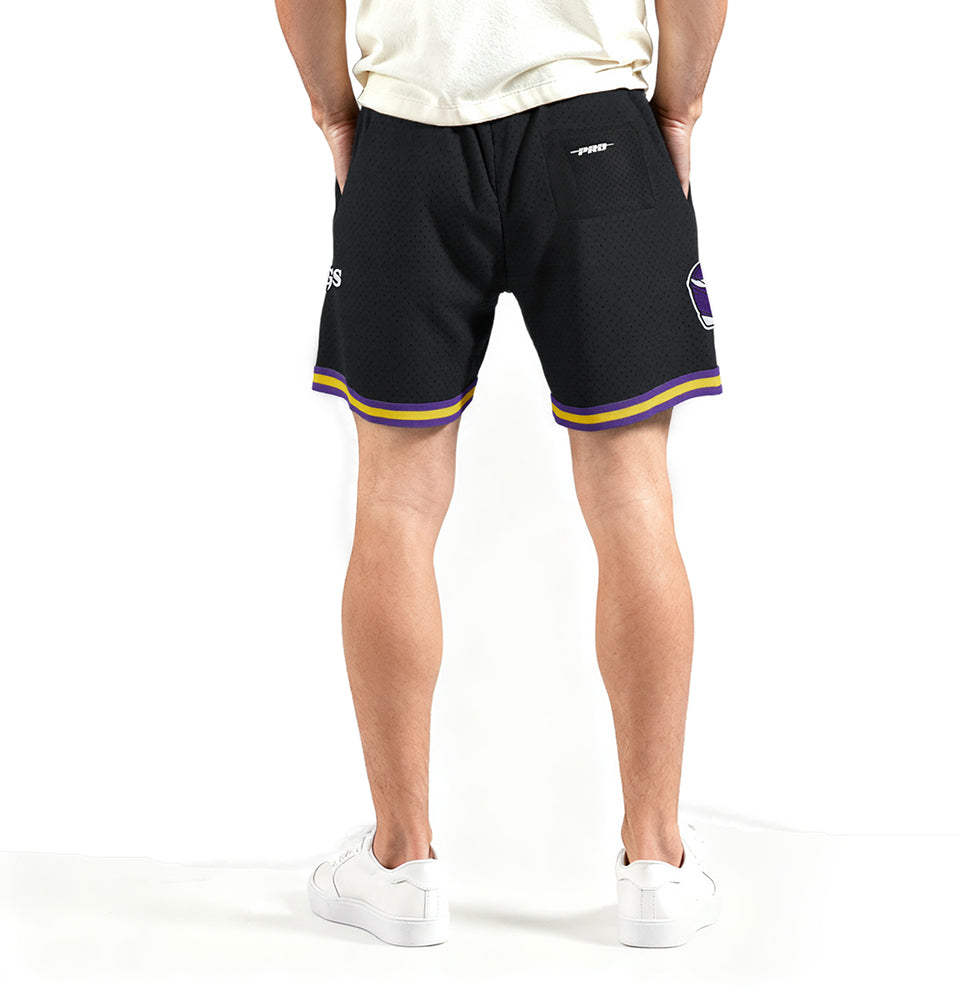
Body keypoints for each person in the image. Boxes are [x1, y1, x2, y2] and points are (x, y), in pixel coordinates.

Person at [275, 0, 727, 948]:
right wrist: (678, 109)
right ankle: (656, 862)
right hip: (595, 122)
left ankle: (401, 864)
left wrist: (334, 113)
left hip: (409, 135)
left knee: (395, 501)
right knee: (633, 497)